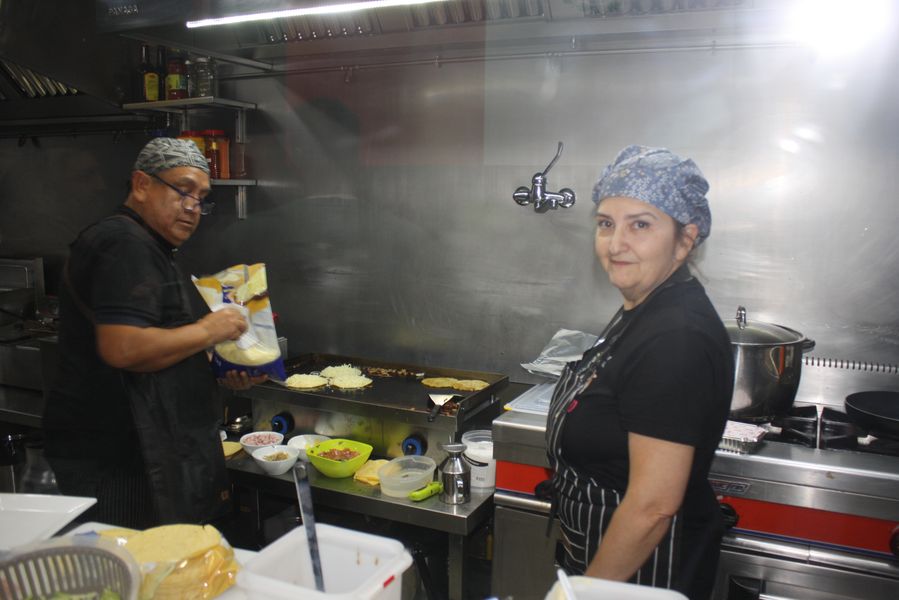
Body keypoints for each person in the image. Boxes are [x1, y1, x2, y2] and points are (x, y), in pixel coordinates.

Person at [43, 138, 265, 528]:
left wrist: (215, 364)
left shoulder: (146, 245)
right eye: (183, 190)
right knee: (132, 561)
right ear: (142, 184)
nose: (193, 207)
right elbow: (124, 348)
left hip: (141, 449)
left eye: (201, 198)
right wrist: (208, 330)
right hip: (118, 455)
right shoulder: (123, 243)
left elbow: (157, 341)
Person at [544, 145, 734, 600]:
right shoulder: (646, 304)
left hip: (643, 576)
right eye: (606, 223)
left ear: (685, 239)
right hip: (607, 560)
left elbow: (652, 508)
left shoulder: (676, 339)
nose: (616, 244)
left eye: (641, 225)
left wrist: (585, 594)